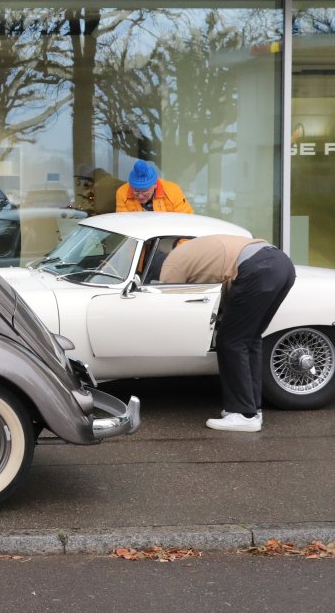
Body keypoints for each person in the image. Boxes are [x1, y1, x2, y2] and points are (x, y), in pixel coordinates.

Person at [160, 233, 297, 433]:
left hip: (258, 269)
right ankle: (252, 409)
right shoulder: (195, 249)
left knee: (231, 341)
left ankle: (243, 414)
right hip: (282, 264)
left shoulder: (172, 263)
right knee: (250, 339)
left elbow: (170, 300)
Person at [115, 159, 193, 214]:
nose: (140, 196)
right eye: (136, 191)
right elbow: (123, 223)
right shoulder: (122, 193)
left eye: (145, 191)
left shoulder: (173, 191)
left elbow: (186, 221)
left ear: (155, 184)